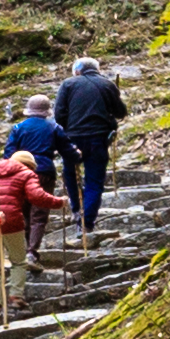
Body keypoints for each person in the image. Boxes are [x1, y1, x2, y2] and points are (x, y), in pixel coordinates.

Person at [0, 141, 51, 322]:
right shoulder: (26, 175)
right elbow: (37, 196)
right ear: (30, 166)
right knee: (18, 262)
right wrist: (58, 202)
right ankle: (15, 297)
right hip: (11, 223)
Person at [53, 54, 124, 231]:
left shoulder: (68, 84)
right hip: (98, 139)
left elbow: (59, 114)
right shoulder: (108, 85)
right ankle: (87, 222)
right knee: (94, 181)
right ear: (97, 69)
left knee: (70, 173)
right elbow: (120, 112)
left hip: (73, 139)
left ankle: (76, 209)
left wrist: (66, 131)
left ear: (77, 70)